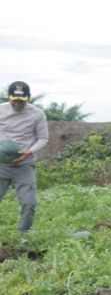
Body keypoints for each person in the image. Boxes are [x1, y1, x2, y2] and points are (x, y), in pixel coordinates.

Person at [0, 81, 49, 242]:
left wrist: (29, 152)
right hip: (1, 165)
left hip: (24, 165)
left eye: (21, 100)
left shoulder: (37, 113)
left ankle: (24, 235)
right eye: (14, 100)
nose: (17, 103)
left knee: (29, 203)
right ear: (9, 97)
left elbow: (43, 139)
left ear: (28, 98)